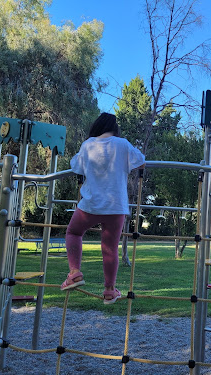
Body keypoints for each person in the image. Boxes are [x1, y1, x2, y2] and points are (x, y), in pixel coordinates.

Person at [60, 113, 145, 304]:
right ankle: (109, 290)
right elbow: (141, 161)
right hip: (116, 206)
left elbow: (76, 166)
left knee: (73, 232)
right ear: (115, 129)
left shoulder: (88, 145)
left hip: (91, 204)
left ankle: (74, 272)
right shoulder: (122, 144)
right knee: (110, 249)